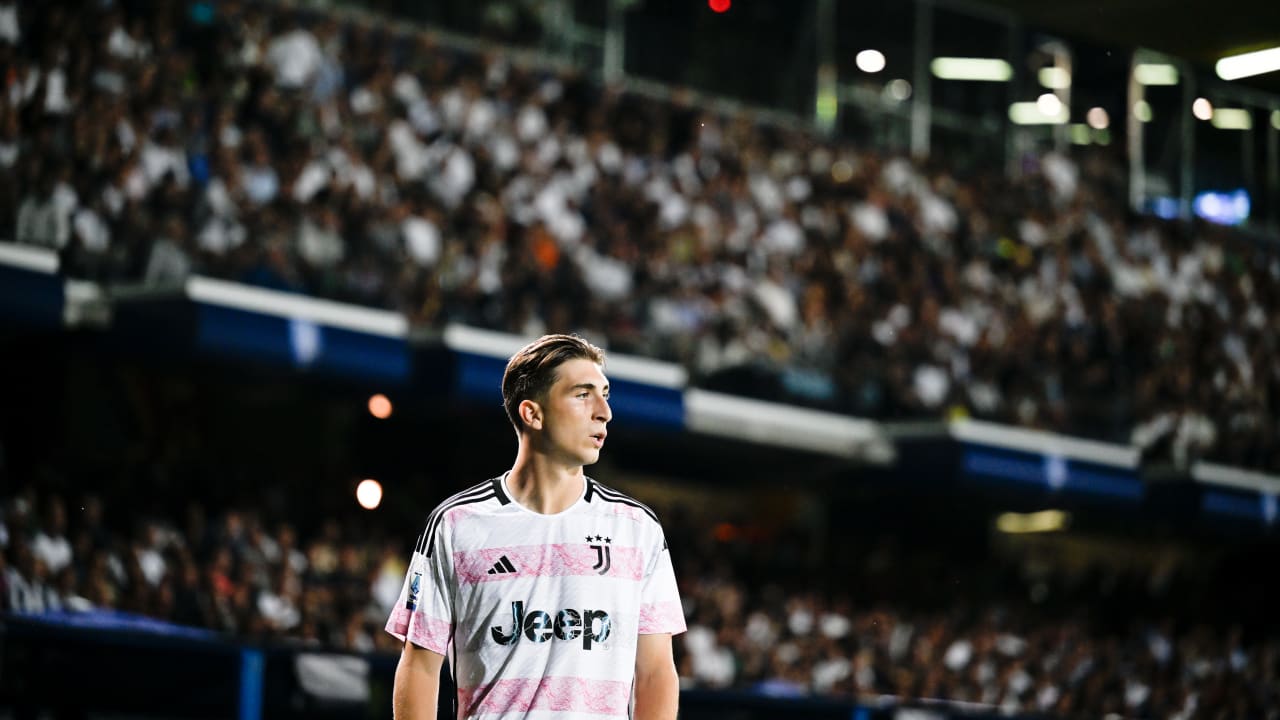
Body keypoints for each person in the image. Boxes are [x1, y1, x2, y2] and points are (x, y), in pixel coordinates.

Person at [387, 334, 686, 719]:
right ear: (533, 413)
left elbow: (656, 673)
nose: (604, 412)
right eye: (582, 394)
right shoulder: (457, 524)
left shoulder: (638, 529)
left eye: (605, 394)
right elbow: (420, 667)